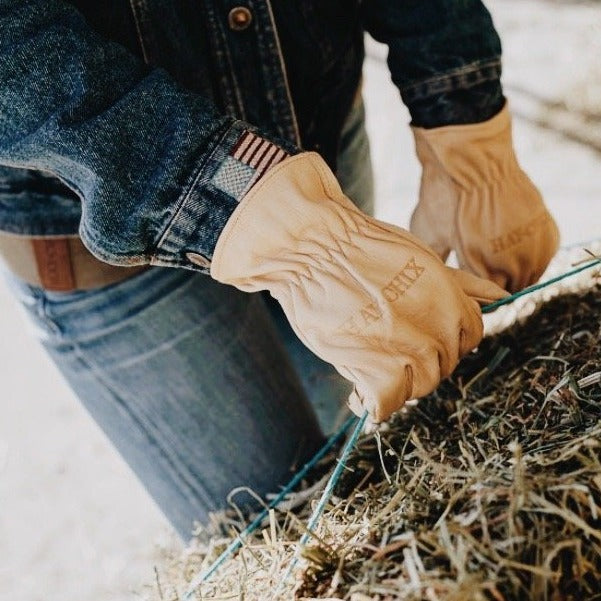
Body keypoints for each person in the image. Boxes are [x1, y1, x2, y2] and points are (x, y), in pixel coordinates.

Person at [0, 0, 559, 539]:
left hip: (310, 135)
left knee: (349, 424)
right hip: (106, 213)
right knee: (283, 519)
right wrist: (288, 230)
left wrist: (468, 136)